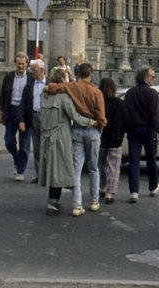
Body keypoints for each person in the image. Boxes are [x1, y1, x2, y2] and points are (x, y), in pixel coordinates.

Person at [43, 62, 106, 217]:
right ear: (91, 75)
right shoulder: (97, 92)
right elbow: (101, 116)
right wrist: (100, 127)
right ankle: (94, 201)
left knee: (76, 169)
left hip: (77, 130)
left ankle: (76, 205)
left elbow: (58, 87)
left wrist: (48, 87)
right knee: (94, 168)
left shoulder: (73, 87)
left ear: (78, 75)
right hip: (92, 130)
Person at [123, 67, 159, 203]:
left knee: (134, 161)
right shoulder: (152, 93)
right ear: (146, 78)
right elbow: (155, 114)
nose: (155, 79)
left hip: (134, 130)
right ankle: (153, 187)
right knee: (151, 159)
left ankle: (134, 192)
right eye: (153, 77)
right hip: (149, 130)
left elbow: (126, 114)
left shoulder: (130, 93)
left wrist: (127, 128)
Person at [0, 52, 35, 181]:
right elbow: (3, 94)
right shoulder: (8, 77)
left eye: (22, 64)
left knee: (25, 145)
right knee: (8, 140)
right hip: (11, 111)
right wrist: (0, 111)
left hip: (25, 113)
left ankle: (20, 170)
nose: (20, 66)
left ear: (27, 64)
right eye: (18, 63)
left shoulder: (31, 79)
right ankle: (16, 158)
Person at [97, 77, 124, 205]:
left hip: (101, 137)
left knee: (100, 165)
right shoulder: (119, 103)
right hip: (115, 138)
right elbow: (125, 120)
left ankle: (101, 187)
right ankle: (109, 193)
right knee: (113, 167)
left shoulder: (99, 102)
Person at [26, 57, 47, 183]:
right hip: (34, 117)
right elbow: (25, 101)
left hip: (47, 118)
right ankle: (39, 175)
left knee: (48, 147)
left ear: (41, 70)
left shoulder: (50, 84)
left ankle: (48, 174)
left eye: (34, 70)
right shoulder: (30, 84)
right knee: (37, 148)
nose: (32, 73)